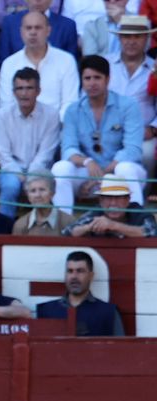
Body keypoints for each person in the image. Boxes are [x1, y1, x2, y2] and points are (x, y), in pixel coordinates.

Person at [50, 56, 146, 213]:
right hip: (88, 172)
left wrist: (102, 175)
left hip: (117, 172)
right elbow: (68, 149)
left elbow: (133, 149)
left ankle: (136, 224)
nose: (92, 83)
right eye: (87, 78)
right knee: (60, 168)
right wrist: (87, 162)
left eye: (97, 77)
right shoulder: (73, 110)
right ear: (81, 80)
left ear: (107, 79)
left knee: (126, 168)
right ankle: (63, 223)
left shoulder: (128, 105)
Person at [0, 67, 60, 219]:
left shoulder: (51, 115)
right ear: (13, 92)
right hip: (10, 170)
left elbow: (46, 153)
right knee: (10, 186)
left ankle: (50, 232)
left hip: (42, 169)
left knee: (44, 186)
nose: (24, 93)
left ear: (38, 91)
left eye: (29, 88)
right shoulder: (2, 115)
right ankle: (3, 231)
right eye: (20, 88)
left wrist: (30, 176)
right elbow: (3, 155)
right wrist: (19, 175)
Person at [0, 11, 77, 118]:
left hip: (57, 128)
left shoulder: (66, 61)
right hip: (18, 128)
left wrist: (52, 126)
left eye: (38, 28)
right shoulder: (9, 64)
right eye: (28, 28)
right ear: (21, 32)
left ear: (48, 31)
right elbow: (5, 106)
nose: (33, 32)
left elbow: (69, 104)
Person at [103, 15, 156, 169]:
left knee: (147, 154)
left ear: (146, 39)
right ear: (119, 38)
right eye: (126, 36)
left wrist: (153, 128)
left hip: (143, 134)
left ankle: (142, 193)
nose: (131, 41)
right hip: (106, 132)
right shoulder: (104, 64)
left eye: (137, 37)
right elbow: (87, 99)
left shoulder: (155, 68)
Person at [35, 250, 125, 335]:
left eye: (80, 271)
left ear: (91, 276)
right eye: (70, 271)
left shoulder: (109, 313)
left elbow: (121, 349)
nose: (74, 276)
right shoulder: (45, 311)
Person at [62, 178, 154, 236]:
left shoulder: (138, 212)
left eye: (118, 198)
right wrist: (89, 227)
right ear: (101, 201)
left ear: (127, 200)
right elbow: (67, 232)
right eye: (108, 198)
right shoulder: (96, 213)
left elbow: (151, 232)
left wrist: (113, 225)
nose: (113, 203)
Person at [0, 0, 78, 61]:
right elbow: (3, 61)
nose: (38, 0)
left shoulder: (67, 26)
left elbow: (71, 63)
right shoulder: (10, 23)